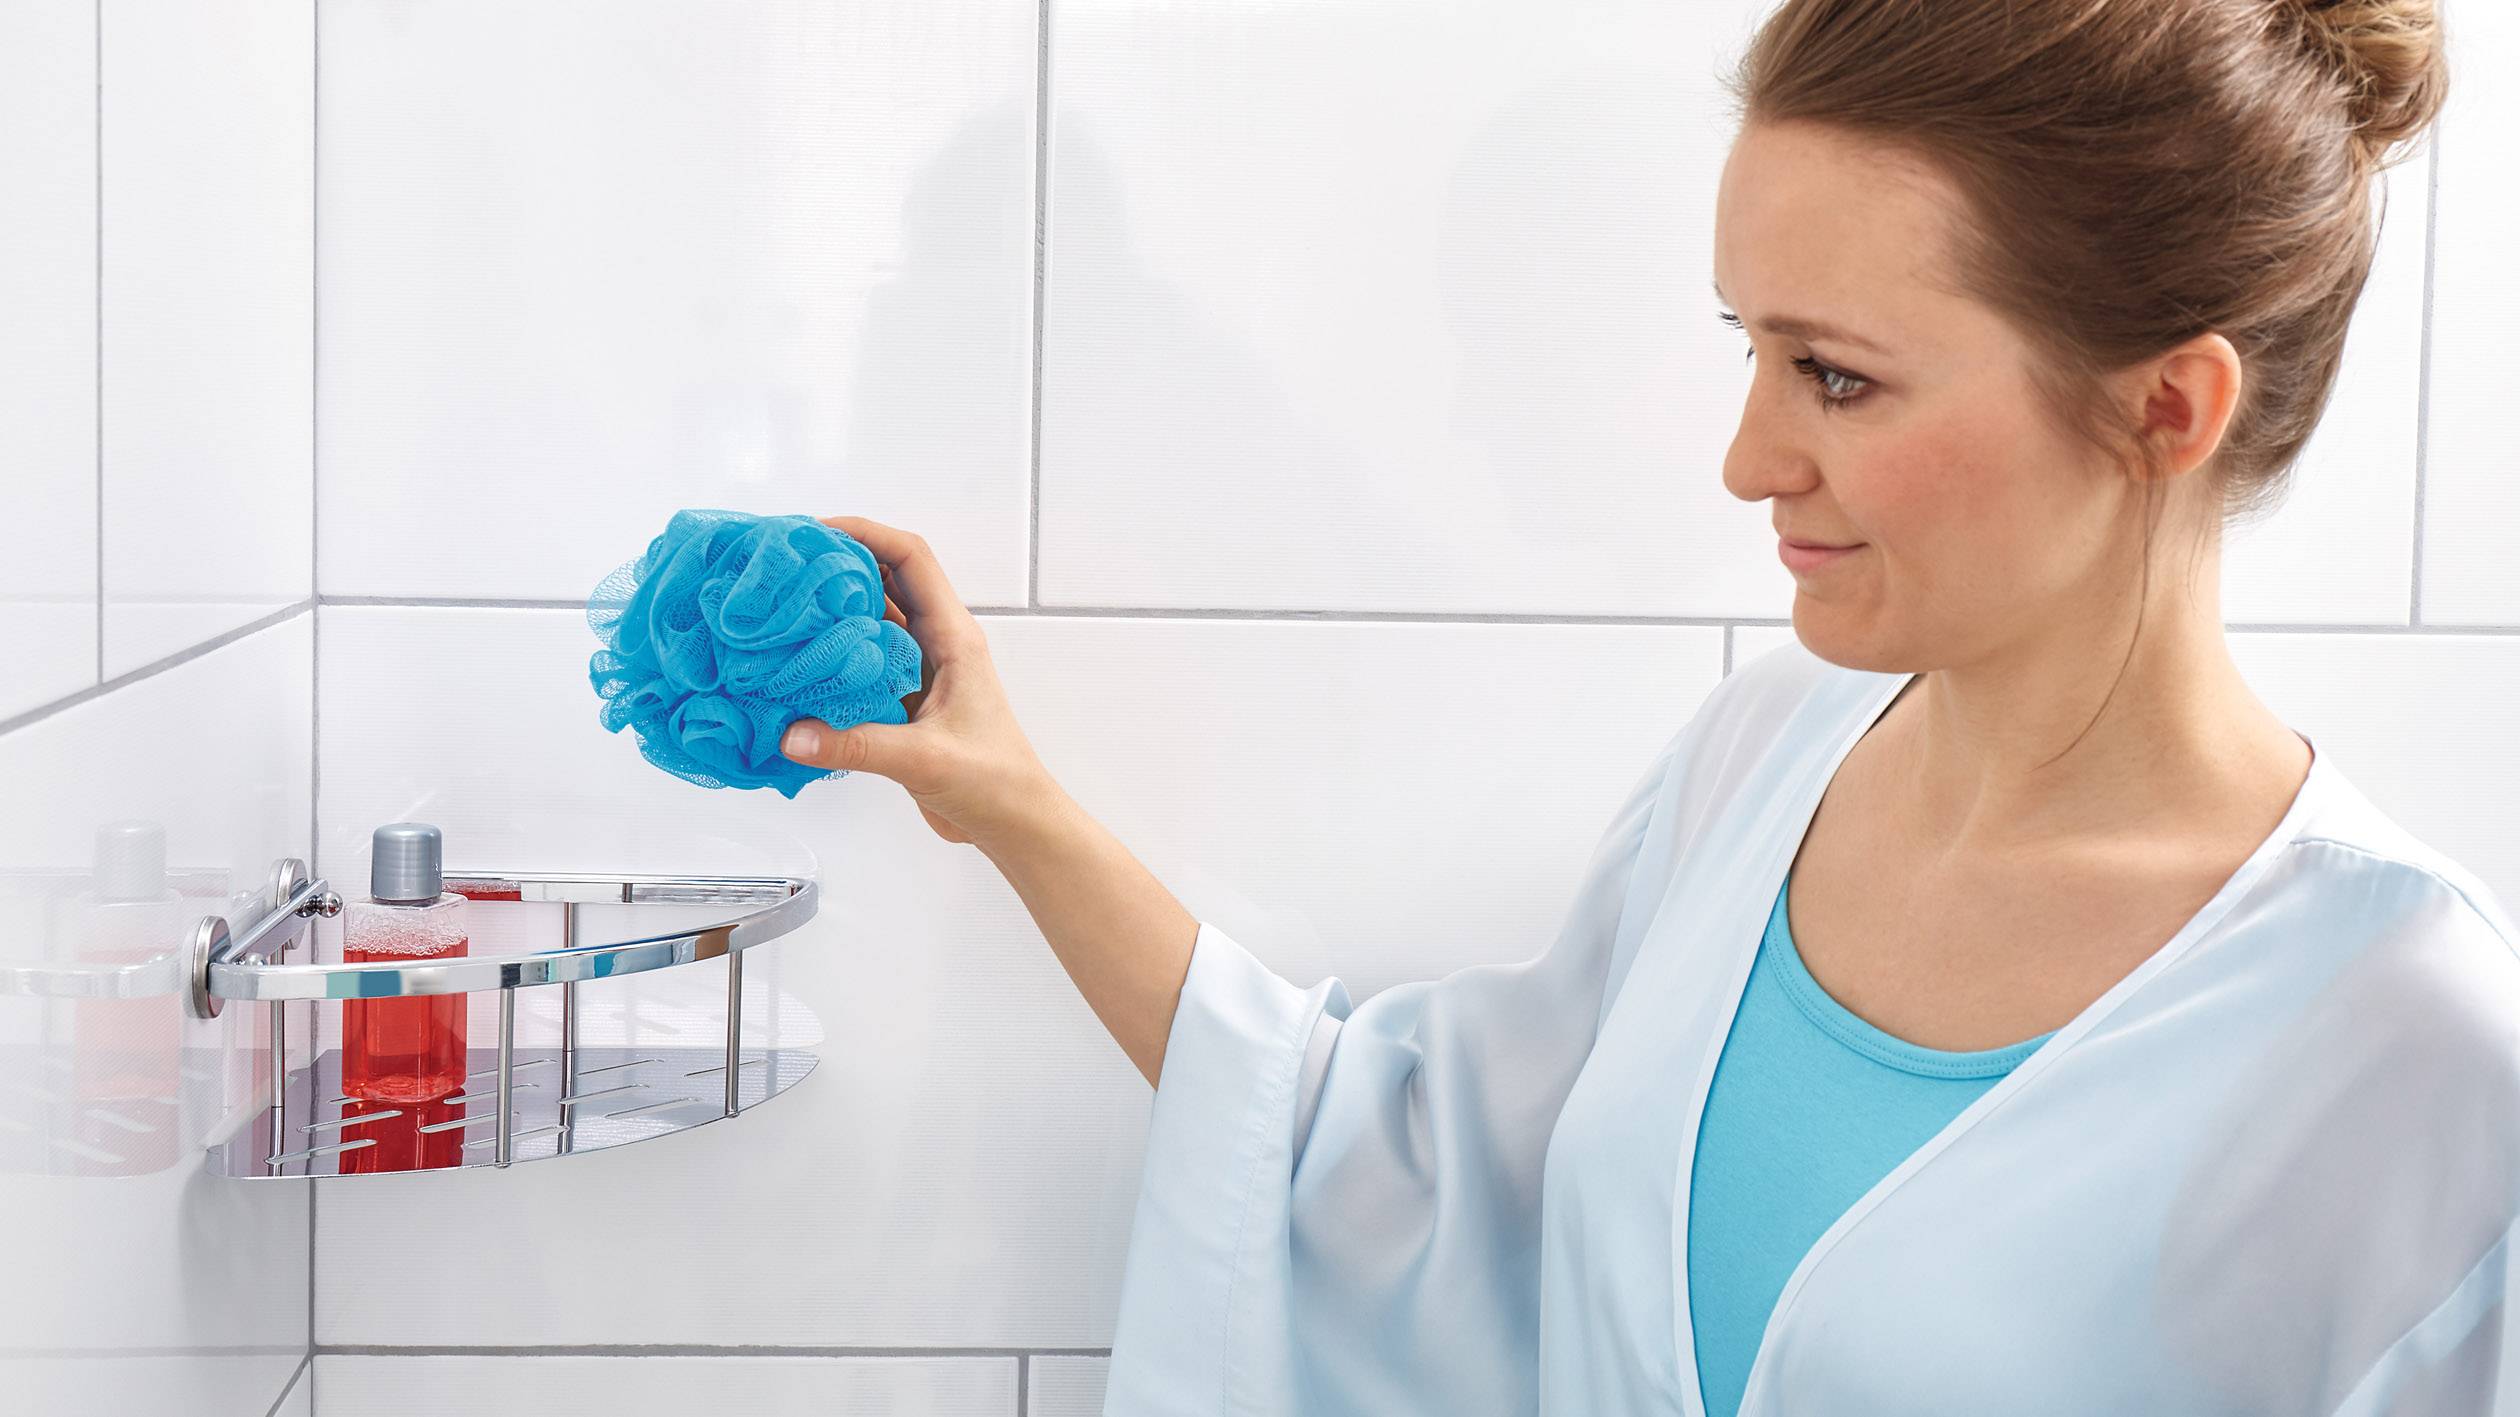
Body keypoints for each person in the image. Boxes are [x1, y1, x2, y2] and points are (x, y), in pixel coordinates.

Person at [776, 0, 2520, 1411]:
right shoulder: (1762, 764)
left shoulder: (2415, 1045)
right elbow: (1400, 1169)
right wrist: (1008, 800)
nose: (1750, 458)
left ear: (2166, 409)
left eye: (1837, 376)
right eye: (1750, 350)